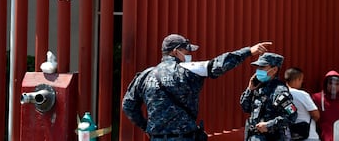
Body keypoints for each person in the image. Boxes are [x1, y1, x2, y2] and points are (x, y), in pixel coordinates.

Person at [122, 33, 272, 141]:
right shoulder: (188, 69)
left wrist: (147, 126)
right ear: (176, 51)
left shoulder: (144, 76)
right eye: (187, 52)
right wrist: (248, 51)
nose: (189, 55)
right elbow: (218, 64)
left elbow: (128, 105)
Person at [240, 52, 298, 141]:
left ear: (274, 69)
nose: (258, 70)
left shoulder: (279, 90)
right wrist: (250, 89)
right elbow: (245, 107)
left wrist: (269, 125)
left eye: (262, 67)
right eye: (258, 67)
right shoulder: (258, 87)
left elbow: (292, 115)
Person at [284, 67, 320, 141]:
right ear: (298, 79)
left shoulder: (281, 94)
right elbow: (316, 115)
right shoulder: (302, 94)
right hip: (308, 136)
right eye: (301, 80)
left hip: (289, 136)